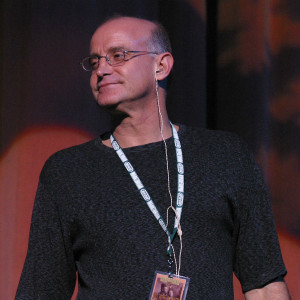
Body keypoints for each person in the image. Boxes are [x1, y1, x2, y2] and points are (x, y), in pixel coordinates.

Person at [15, 16, 290, 299]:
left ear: (161, 65)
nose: (102, 70)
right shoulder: (68, 172)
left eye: (118, 56)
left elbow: (265, 283)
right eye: (95, 61)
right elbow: (40, 290)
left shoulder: (224, 155)